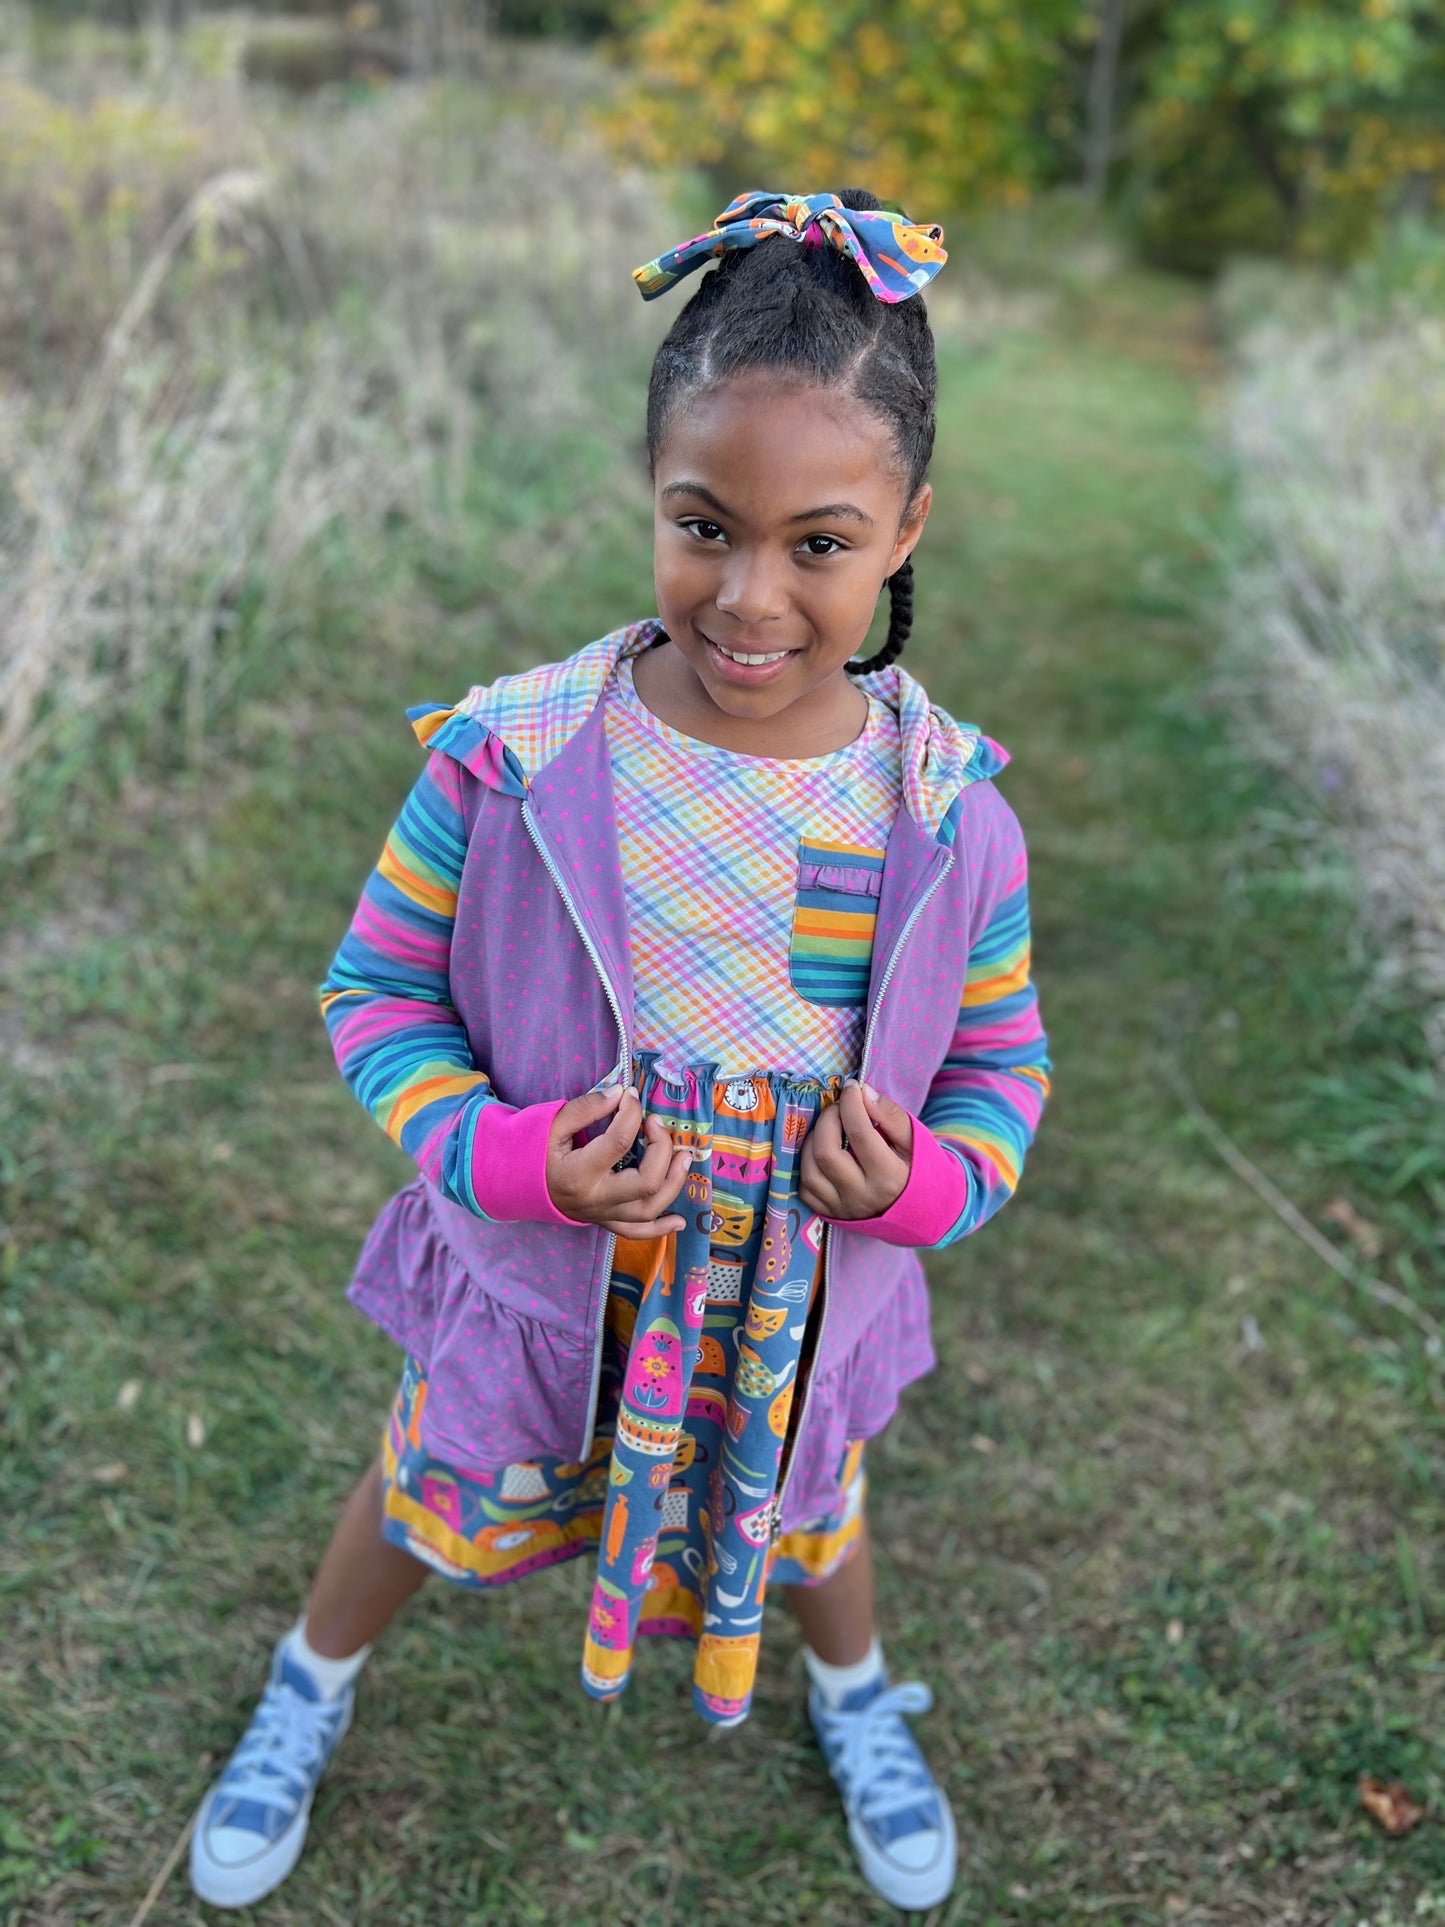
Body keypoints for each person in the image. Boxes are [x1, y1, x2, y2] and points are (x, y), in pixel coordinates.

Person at [189, 188, 1050, 1915]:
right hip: (542, 1272)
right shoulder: (512, 759)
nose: (746, 595)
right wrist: (504, 1158)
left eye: (818, 541)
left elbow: (1003, 1066)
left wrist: (934, 1185)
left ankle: (856, 1696)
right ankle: (308, 1686)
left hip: (793, 1298)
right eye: (699, 523)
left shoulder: (947, 815)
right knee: (434, 1478)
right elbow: (374, 996)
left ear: (905, 530)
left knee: (810, 1512)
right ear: (648, 493)